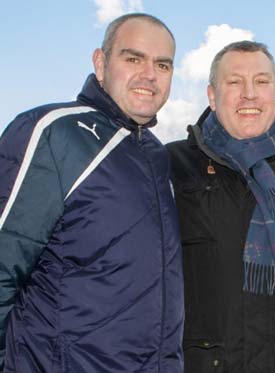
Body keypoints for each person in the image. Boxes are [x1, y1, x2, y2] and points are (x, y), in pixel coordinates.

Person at [0, 13, 183, 372]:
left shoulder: (157, 156)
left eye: (162, 64)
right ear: (100, 63)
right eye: (133, 58)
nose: (149, 74)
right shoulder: (55, 134)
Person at [167, 40, 275, 372]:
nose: (249, 93)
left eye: (261, 81)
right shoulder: (172, 166)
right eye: (234, 82)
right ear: (212, 96)